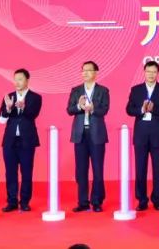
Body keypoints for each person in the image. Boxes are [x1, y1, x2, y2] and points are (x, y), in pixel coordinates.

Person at [126, 61, 159, 211]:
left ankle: (158, 199)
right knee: (140, 168)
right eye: (148, 71)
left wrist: (154, 109)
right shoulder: (136, 90)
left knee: (158, 168)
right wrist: (141, 110)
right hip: (141, 134)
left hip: (158, 134)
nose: (151, 74)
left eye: (154, 72)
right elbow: (129, 109)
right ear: (144, 72)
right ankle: (142, 200)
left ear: (158, 73)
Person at [67, 61, 110, 213]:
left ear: (96, 73)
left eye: (88, 70)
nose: (85, 73)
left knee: (97, 169)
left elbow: (104, 110)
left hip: (96, 134)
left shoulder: (103, 90)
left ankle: (97, 201)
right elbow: (69, 110)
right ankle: (83, 201)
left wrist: (92, 109)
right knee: (81, 170)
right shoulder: (76, 90)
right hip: (80, 134)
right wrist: (79, 106)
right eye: (83, 70)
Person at [0, 68, 42, 212]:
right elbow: (1, 120)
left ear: (27, 80)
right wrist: (8, 108)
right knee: (10, 172)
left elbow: (33, 115)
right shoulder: (9, 97)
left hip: (27, 140)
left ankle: (24, 202)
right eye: (15, 79)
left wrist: (23, 108)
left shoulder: (36, 97)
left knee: (26, 172)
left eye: (20, 79)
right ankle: (11, 201)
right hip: (10, 141)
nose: (17, 82)